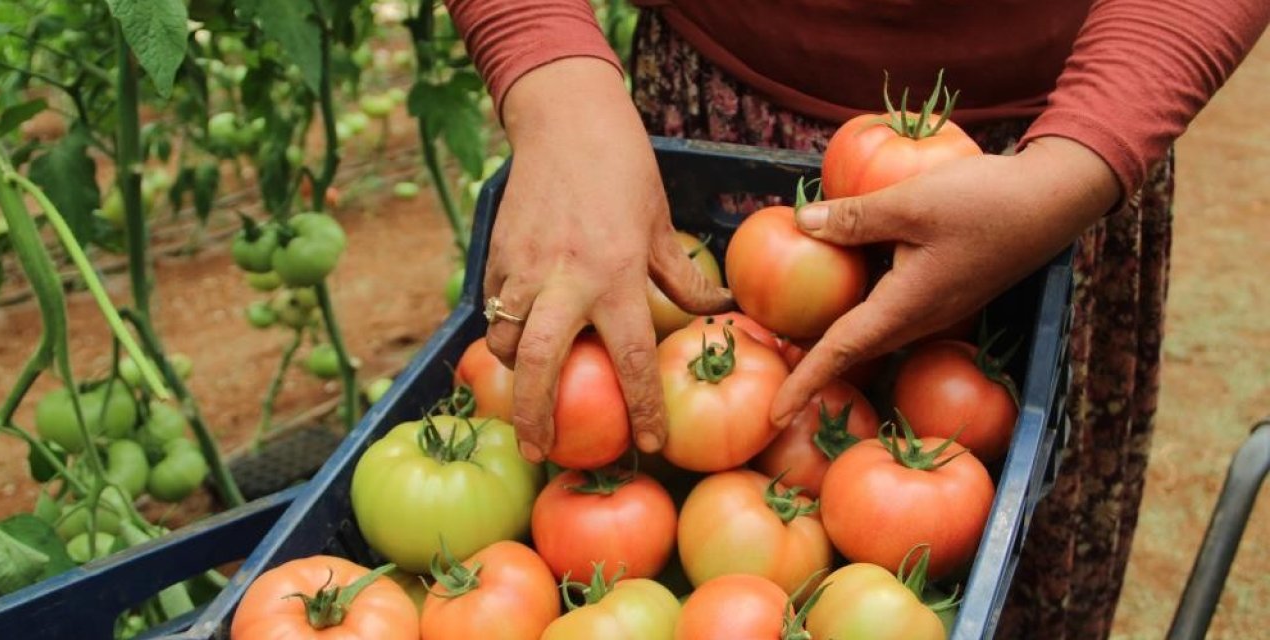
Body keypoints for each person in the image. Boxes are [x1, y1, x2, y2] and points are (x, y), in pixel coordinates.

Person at [444, 1, 1269, 637]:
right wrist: (550, 76)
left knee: (1019, 561)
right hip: (681, 120)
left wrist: (1082, 158)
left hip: (1050, 162)